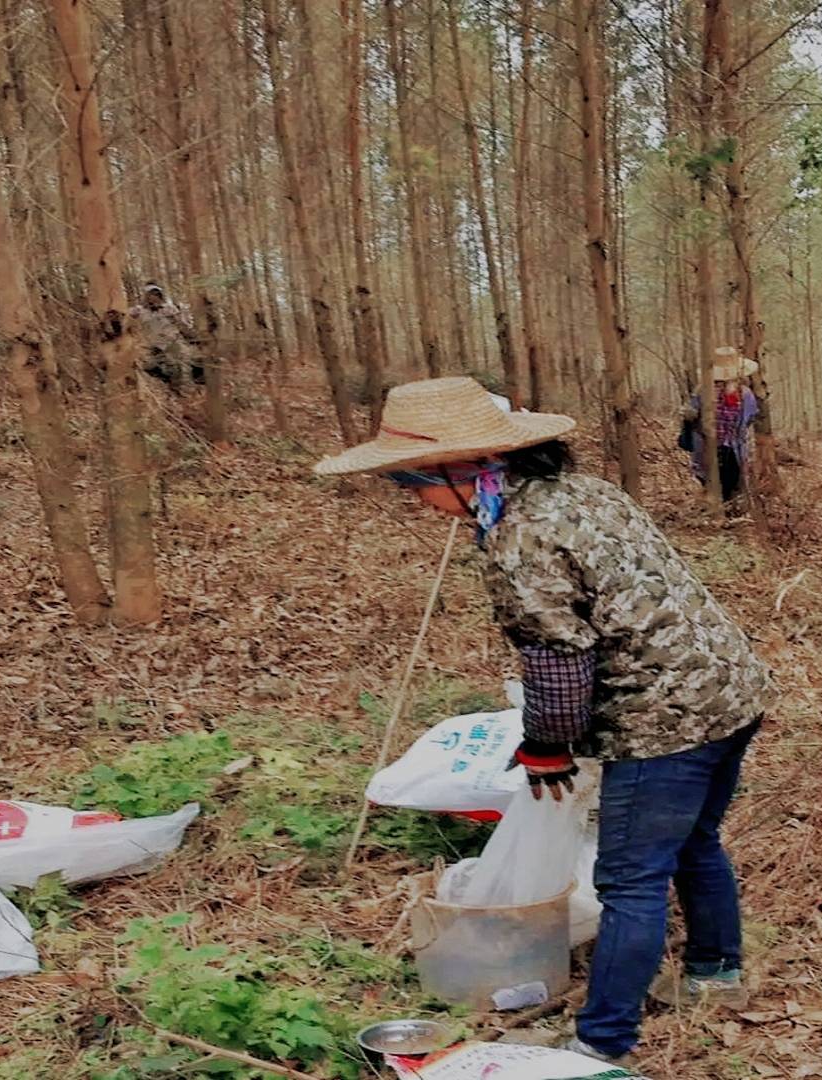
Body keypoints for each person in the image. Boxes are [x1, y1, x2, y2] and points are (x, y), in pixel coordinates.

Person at [314, 377, 772, 1064]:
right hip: (731, 688)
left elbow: (558, 656)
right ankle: (715, 973)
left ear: (464, 471)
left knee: (631, 880)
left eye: (415, 483)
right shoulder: (583, 492)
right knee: (695, 842)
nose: (418, 502)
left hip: (663, 720)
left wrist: (546, 746)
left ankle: (600, 1042)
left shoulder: (519, 536)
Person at [682, 347, 759, 503]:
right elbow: (750, 418)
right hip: (718, 446)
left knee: (719, 481)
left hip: (720, 446)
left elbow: (689, 413)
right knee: (727, 483)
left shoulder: (703, 390)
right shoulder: (743, 393)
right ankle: (723, 508)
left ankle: (722, 507)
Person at [130, 282, 204, 390]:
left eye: (156, 294)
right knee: (149, 366)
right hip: (151, 345)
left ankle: (183, 388)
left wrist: (193, 337)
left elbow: (181, 325)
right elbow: (126, 316)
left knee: (186, 361)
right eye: (150, 294)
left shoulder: (169, 309)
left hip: (171, 342)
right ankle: (168, 381)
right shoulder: (139, 310)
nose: (153, 297)